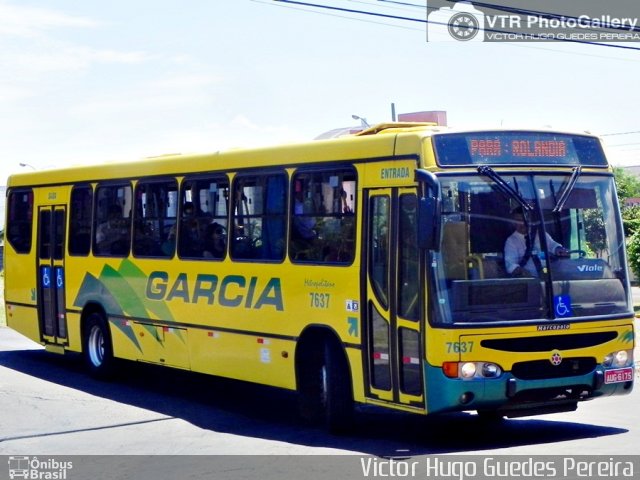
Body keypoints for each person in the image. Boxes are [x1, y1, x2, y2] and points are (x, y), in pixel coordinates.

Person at [504, 207, 569, 277]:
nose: (523, 224)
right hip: (530, 281)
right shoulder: (511, 241)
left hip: (548, 277)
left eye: (525, 220)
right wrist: (521, 271)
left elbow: (552, 245)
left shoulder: (540, 234)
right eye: (519, 221)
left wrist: (558, 249)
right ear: (513, 222)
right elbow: (510, 264)